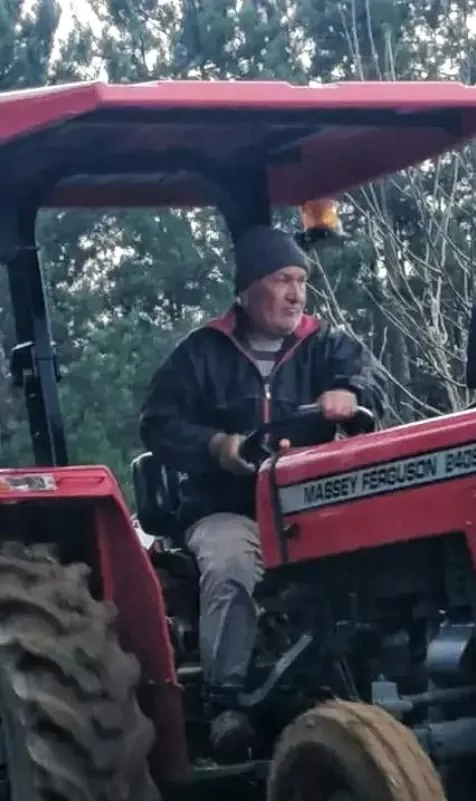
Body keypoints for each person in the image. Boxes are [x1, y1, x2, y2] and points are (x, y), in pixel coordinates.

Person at [139, 224, 382, 756]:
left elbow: (364, 378)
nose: (296, 294)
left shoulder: (327, 345)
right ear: (248, 289)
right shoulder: (201, 354)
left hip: (314, 506)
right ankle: (225, 700)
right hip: (230, 507)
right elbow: (158, 425)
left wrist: (347, 392)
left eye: (301, 281)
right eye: (282, 280)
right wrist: (219, 447)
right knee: (231, 566)